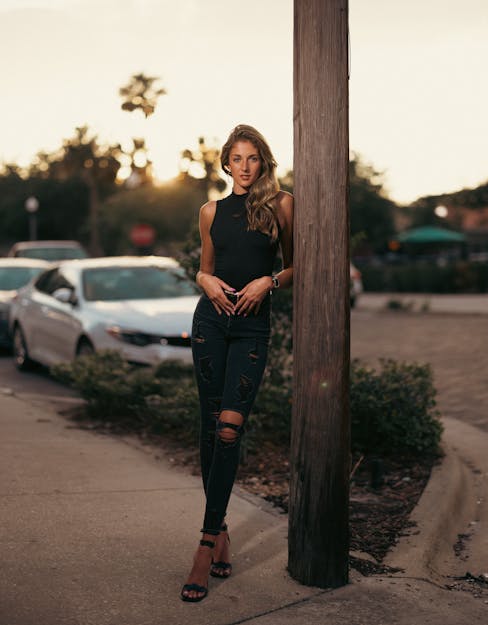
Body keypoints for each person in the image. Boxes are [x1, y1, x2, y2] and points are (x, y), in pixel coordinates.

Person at [180, 124, 293, 602]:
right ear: (225, 163)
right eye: (237, 158)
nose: (245, 167)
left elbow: (301, 262)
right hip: (210, 324)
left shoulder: (281, 205)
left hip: (251, 328)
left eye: (253, 158)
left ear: (262, 163)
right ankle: (221, 530)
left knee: (229, 429)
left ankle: (204, 547)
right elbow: (206, 267)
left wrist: (269, 281)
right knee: (210, 429)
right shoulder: (210, 211)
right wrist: (203, 280)